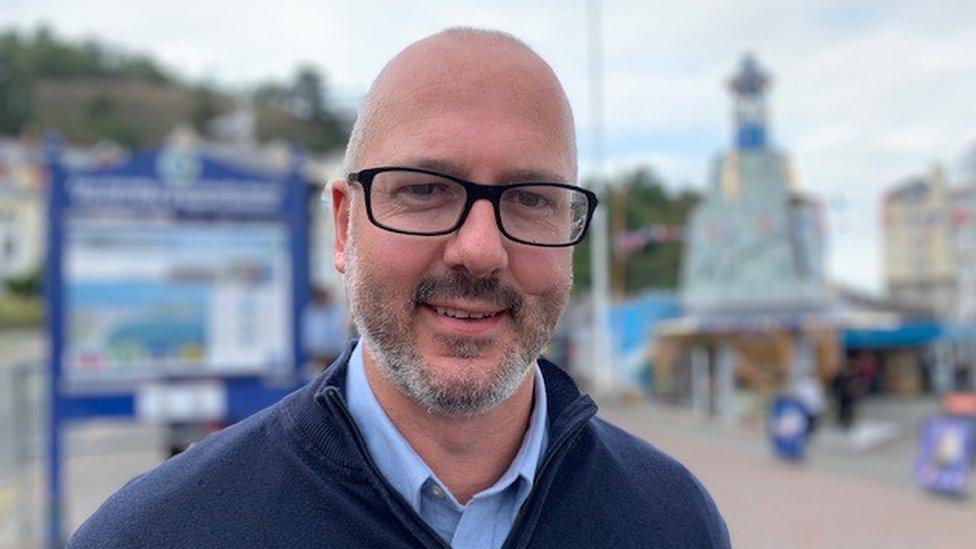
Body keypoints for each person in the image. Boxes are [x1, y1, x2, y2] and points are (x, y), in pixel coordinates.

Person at [70, 28, 730, 548]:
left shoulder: (674, 521)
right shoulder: (158, 534)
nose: (480, 250)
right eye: (424, 190)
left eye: (530, 198)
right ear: (342, 224)